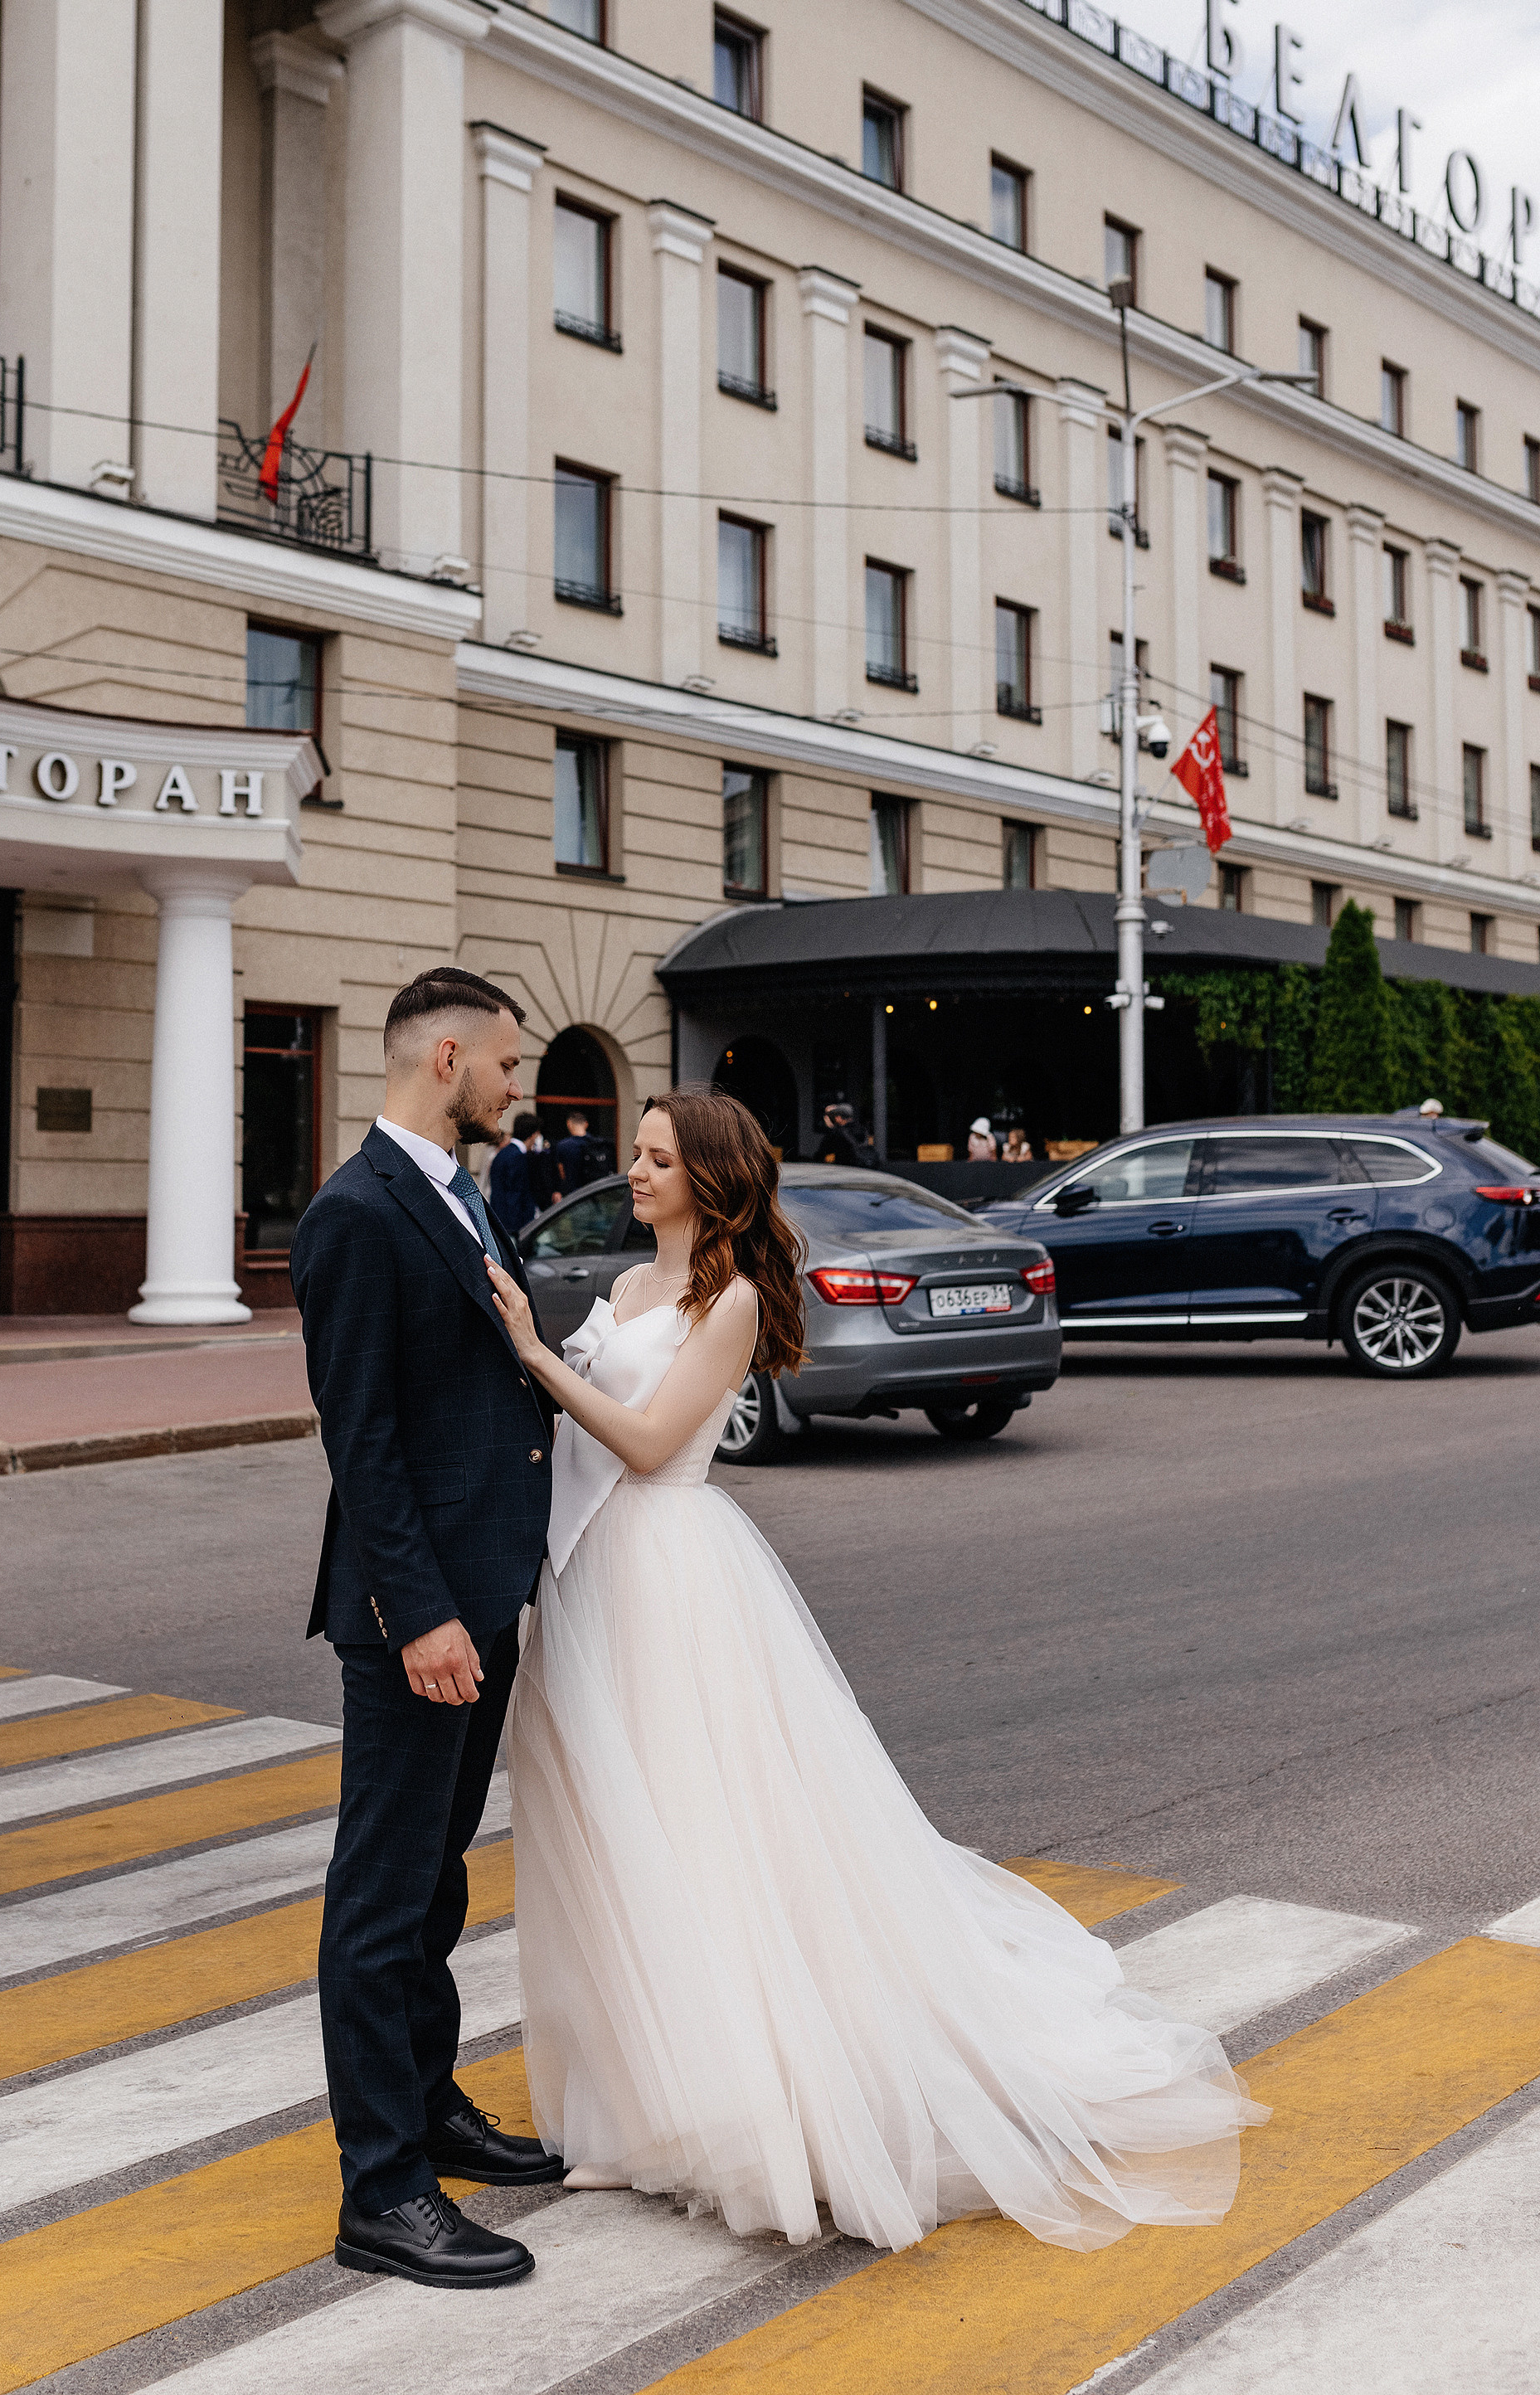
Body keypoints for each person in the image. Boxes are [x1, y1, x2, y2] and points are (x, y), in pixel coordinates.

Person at [484, 1091, 1266, 2257]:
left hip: (671, 1576)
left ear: (709, 1177)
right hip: (594, 1579)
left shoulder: (732, 1299)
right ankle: (634, 2110)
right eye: (633, 1154)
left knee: (700, 1832)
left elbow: (648, 1446)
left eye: (655, 1159)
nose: (631, 1172)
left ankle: (732, 2104)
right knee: (611, 1833)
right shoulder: (633, 1289)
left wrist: (536, 1356)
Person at [289, 967, 565, 2294]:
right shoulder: (355, 1213)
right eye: (508, 1066)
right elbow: (366, 1437)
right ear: (446, 1057)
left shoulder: (458, 1194)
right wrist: (422, 1614)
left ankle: (433, 2108)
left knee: (438, 1881)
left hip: (479, 1593)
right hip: (422, 1616)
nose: (520, 1088)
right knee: (381, 1897)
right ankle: (382, 2191)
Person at [488, 1108, 542, 1238]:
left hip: (500, 1219)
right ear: (533, 1135)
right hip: (514, 1226)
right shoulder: (518, 1157)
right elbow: (516, 1193)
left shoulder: (502, 1153)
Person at [552, 1110, 599, 1200]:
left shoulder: (563, 1146)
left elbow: (562, 1173)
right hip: (595, 1192)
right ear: (586, 1124)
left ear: (569, 1124)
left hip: (573, 1196)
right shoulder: (597, 1144)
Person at [817, 1098, 876, 1166]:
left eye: (834, 1117)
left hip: (845, 1170)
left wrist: (831, 1128)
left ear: (838, 1117)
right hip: (864, 1168)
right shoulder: (863, 1129)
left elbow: (821, 1154)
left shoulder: (837, 1133)